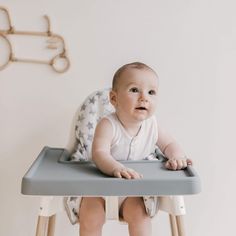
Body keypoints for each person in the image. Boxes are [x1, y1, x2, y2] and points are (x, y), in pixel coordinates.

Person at [78, 62, 192, 236]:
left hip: (133, 191)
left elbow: (169, 144)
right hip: (100, 190)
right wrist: (116, 168)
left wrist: (177, 157)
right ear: (114, 99)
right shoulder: (108, 125)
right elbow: (99, 153)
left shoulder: (152, 126)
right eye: (134, 90)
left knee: (140, 217)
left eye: (151, 92)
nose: (144, 97)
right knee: (90, 218)